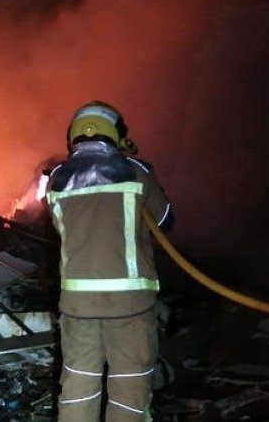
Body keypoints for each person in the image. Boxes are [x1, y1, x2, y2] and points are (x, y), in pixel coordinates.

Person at [40, 101, 172, 421]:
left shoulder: (56, 178)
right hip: (130, 305)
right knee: (129, 390)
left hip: (77, 305)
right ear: (116, 133)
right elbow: (165, 221)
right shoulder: (135, 171)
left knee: (77, 388)